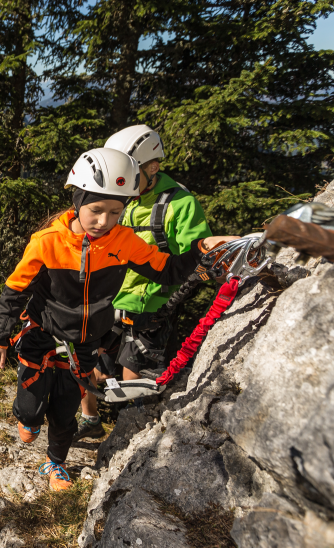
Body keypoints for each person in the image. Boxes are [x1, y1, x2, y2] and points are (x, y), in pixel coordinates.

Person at [0, 148, 236, 491]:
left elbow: (165, 272)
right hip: (43, 334)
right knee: (30, 407)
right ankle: (26, 417)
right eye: (96, 210)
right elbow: (14, 291)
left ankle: (55, 462)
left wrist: (202, 249)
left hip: (86, 342)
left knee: (65, 410)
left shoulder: (123, 241)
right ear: (78, 201)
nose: (104, 221)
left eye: (116, 212)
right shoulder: (47, 243)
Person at [75, 126, 213, 441]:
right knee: (89, 357)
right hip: (111, 297)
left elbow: (198, 259)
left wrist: (171, 303)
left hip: (153, 304)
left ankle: (131, 434)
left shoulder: (179, 204)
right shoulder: (119, 197)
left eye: (131, 173)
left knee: (133, 369)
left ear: (152, 167)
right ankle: (90, 419)